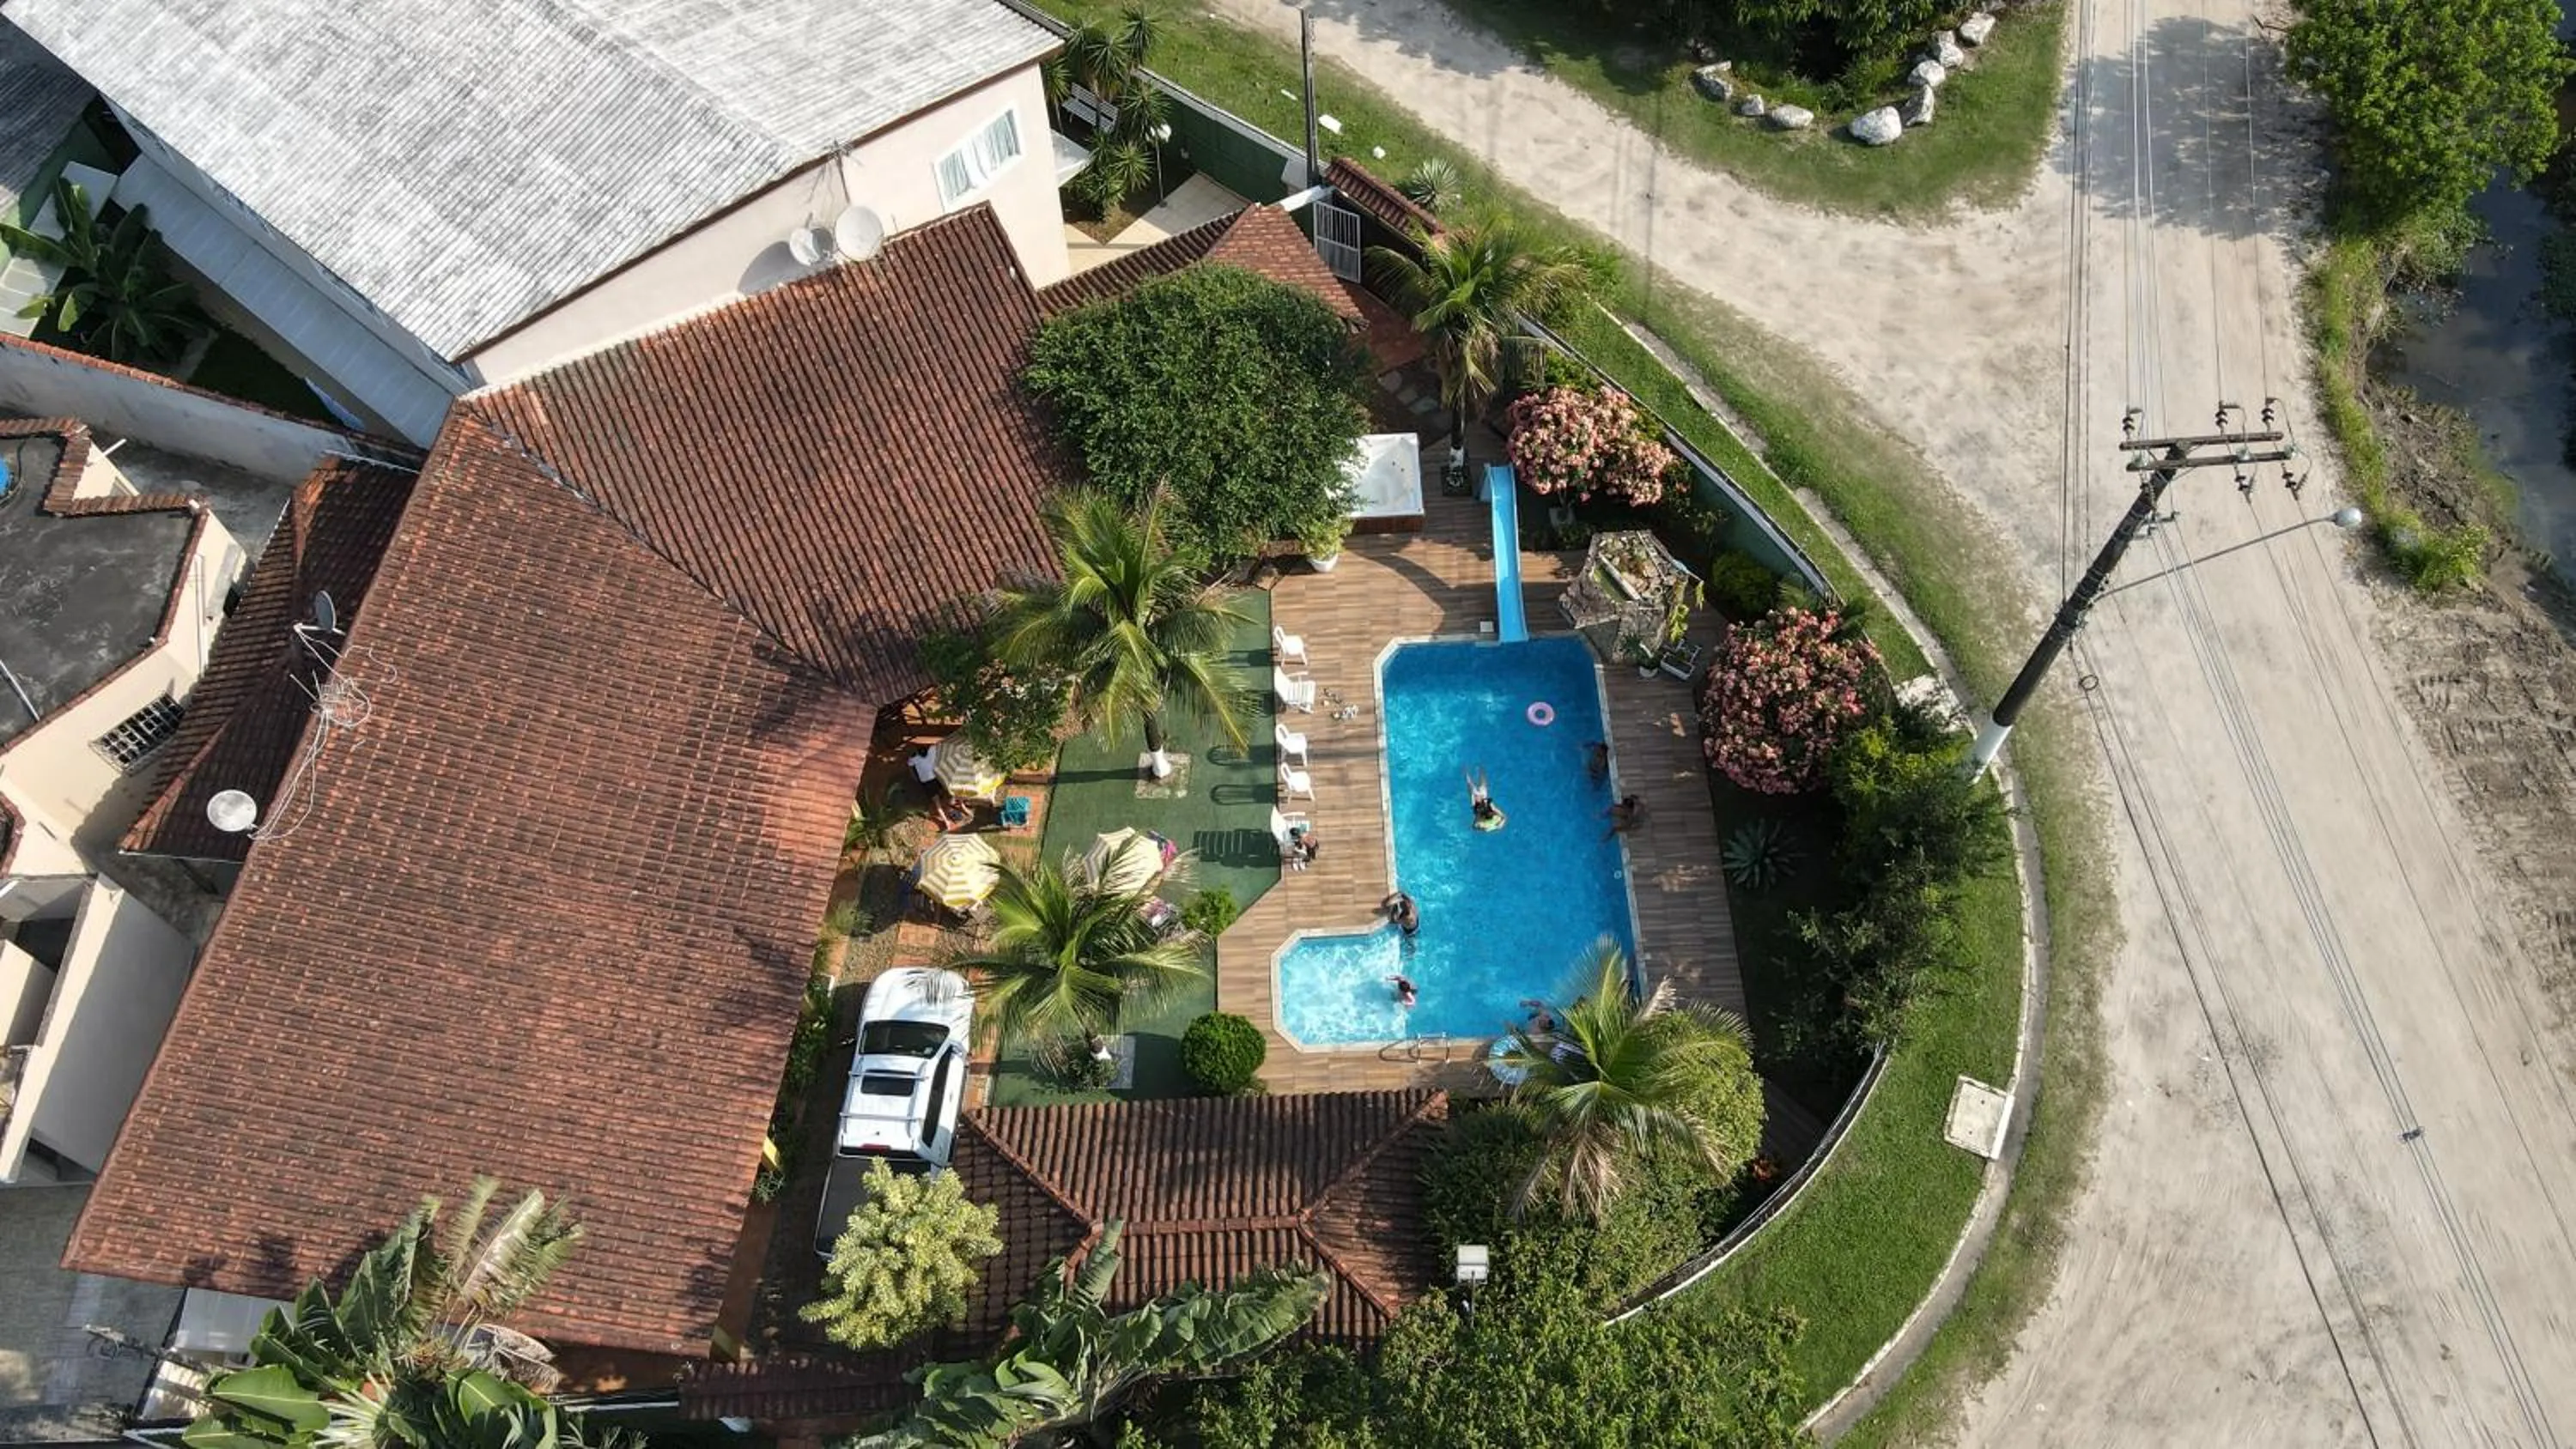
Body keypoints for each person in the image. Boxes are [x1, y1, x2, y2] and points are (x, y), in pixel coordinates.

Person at [1465, 767, 1508, 832]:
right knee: (1471, 783)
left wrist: (1500, 825)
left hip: (1480, 801)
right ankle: (1468, 770)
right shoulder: (1483, 813)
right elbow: (1475, 825)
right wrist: (1499, 825)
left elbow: (1504, 817)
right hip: (1478, 802)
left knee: (1479, 783)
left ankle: (1478, 769)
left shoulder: (1491, 808)